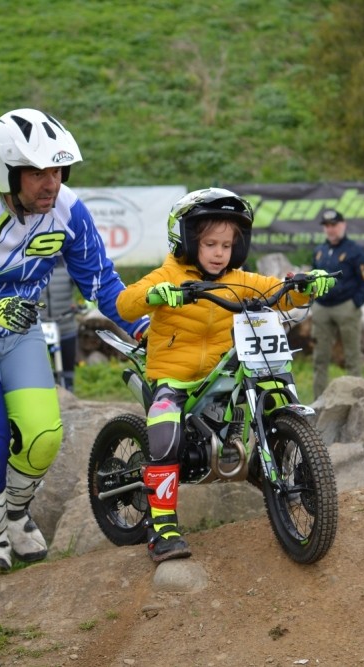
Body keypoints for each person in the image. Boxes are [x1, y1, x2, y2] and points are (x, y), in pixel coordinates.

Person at [0, 108, 149, 572]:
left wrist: (145, 327)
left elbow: (102, 283)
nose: (52, 184)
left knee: (44, 437)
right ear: (6, 171)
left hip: (17, 331)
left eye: (58, 171)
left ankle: (13, 512)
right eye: (38, 172)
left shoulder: (68, 209)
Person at [116, 188, 335, 563]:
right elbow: (125, 302)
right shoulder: (168, 275)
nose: (220, 253)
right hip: (175, 376)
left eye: (227, 245)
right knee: (166, 425)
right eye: (210, 244)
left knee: (264, 388)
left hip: (223, 374)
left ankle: (269, 463)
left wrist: (305, 285)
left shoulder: (239, 279)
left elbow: (279, 292)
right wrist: (157, 295)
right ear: (187, 240)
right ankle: (162, 527)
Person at [310, 208, 364, 398]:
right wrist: (313, 299)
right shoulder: (319, 251)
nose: (330, 229)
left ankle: (354, 400)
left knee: (352, 358)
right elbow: (313, 277)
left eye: (334, 225)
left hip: (345, 307)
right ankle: (318, 402)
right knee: (319, 358)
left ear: (343, 225)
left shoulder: (355, 251)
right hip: (321, 308)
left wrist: (355, 303)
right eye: (327, 226)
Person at [40, 256, 80, 392]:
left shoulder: (68, 264)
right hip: (39, 328)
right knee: (40, 369)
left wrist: (80, 306)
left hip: (66, 326)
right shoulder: (31, 267)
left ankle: (69, 392)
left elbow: (85, 285)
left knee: (68, 370)